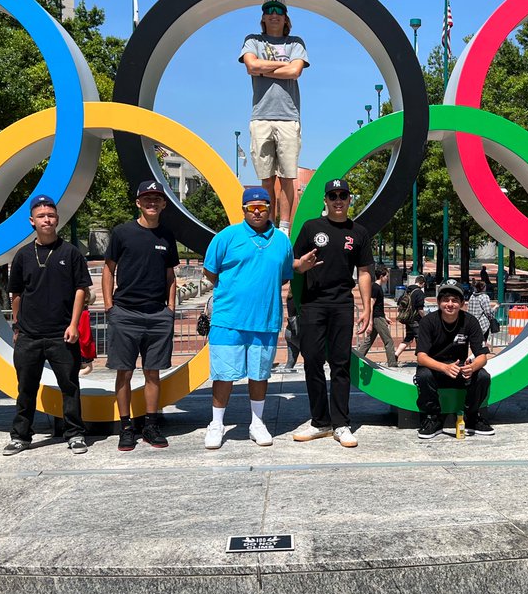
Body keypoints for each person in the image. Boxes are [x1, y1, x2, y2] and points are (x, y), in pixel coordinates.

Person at [201, 186, 295, 449]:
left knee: (260, 373)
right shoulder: (226, 237)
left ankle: (257, 422)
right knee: (223, 375)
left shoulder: (281, 241)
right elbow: (211, 272)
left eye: (262, 207)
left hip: (265, 320)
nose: (257, 212)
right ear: (243, 210)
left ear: (269, 210)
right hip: (228, 319)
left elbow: (284, 275)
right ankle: (216, 424)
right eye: (252, 208)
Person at [3, 195, 91, 457]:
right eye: (41, 216)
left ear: (57, 219)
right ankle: (21, 436)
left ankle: (75, 433)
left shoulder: (71, 253)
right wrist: (18, 325)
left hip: (62, 334)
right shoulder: (22, 255)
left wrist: (74, 325)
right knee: (26, 388)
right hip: (29, 335)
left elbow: (80, 290)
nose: (47, 220)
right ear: (32, 221)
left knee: (70, 386)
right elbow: (16, 293)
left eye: (51, 215)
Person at [291, 179, 373, 447]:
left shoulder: (359, 232)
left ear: (350, 199)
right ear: (325, 200)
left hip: (341, 304)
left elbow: (363, 272)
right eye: (333, 195)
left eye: (343, 195)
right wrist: (301, 266)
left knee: (340, 364)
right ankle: (320, 422)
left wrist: (367, 307)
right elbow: (292, 262)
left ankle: (341, 424)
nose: (338, 200)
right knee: (312, 361)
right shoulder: (311, 227)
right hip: (313, 304)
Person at [102, 180, 180, 452]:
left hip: (158, 314)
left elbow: (171, 275)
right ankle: (126, 427)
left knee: (153, 373)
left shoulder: (167, 236)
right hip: (125, 313)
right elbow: (108, 269)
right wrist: (110, 306)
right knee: (124, 372)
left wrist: (170, 309)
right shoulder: (123, 232)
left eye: (156, 199)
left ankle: (150, 424)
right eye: (146, 198)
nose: (151, 203)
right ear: (138, 202)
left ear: (163, 204)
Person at [239, 0, 308, 234]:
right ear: (263, 17)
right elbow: (250, 66)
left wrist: (263, 66)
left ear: (286, 17)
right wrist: (281, 68)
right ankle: (267, 224)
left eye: (279, 10)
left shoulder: (295, 43)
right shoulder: (252, 40)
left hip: (289, 117)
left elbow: (295, 71)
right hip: (261, 116)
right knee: (266, 177)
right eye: (269, 10)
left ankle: (285, 227)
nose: (274, 14)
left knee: (288, 177)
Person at [415, 280, 492, 439]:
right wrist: (444, 367)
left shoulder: (470, 321)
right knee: (423, 375)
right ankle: (433, 418)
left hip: (459, 369)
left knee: (483, 376)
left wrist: (472, 367)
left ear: (462, 303)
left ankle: (472, 416)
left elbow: (482, 356)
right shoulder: (428, 322)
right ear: (438, 302)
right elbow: (421, 357)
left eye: (455, 300)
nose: (450, 304)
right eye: (445, 300)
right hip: (435, 369)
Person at [358, 265, 397, 367]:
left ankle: (357, 359)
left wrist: (385, 317)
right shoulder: (376, 288)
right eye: (386, 276)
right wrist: (370, 323)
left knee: (369, 341)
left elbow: (377, 306)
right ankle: (392, 364)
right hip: (377, 318)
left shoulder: (376, 287)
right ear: (381, 276)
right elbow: (371, 305)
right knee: (389, 341)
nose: (387, 278)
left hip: (378, 317)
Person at [394, 274, 426, 362]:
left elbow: (399, 302)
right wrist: (425, 318)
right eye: (423, 284)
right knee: (420, 338)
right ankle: (421, 357)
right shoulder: (419, 292)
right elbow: (420, 308)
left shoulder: (407, 290)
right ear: (422, 283)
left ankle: (395, 355)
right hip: (415, 319)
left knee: (409, 337)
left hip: (407, 318)